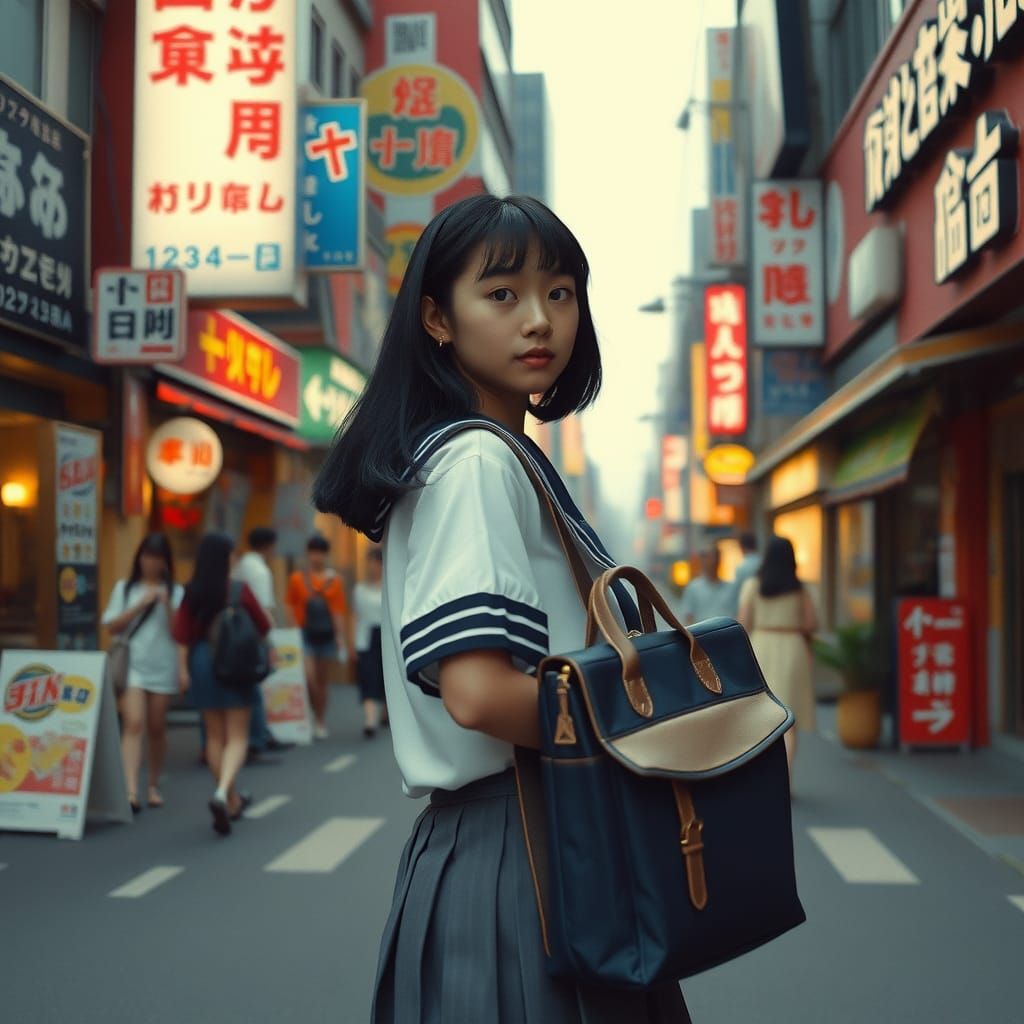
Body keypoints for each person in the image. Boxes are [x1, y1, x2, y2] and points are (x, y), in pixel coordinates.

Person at [312, 195, 691, 1022]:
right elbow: (478, 692)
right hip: (529, 849)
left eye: (560, 293)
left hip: (517, 844)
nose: (540, 321)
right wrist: (649, 727)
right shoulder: (476, 461)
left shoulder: (491, 456)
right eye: (503, 294)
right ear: (436, 320)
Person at [174, 532, 271, 835]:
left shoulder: (191, 592)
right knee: (237, 737)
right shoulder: (239, 591)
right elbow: (264, 625)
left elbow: (181, 635)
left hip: (202, 660)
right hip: (233, 663)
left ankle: (229, 798)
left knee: (214, 737)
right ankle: (223, 794)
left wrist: (183, 671)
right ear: (225, 558)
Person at [101, 533, 183, 813]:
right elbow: (112, 627)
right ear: (139, 558)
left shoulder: (176, 592)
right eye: (147, 556)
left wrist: (166, 604)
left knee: (157, 727)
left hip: (163, 666)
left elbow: (178, 633)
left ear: (165, 562)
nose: (151, 563)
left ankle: (152, 784)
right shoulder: (125, 589)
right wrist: (140, 604)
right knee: (134, 722)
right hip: (132, 665)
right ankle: (131, 790)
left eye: (157, 558)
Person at [737, 535, 819, 778]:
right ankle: (786, 778)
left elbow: (743, 623)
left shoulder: (753, 585)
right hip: (792, 648)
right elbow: (812, 623)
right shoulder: (800, 589)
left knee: (763, 715)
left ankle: (764, 779)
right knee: (788, 718)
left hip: (761, 646)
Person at [231, 525, 292, 756]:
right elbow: (264, 609)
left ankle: (255, 735)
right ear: (269, 546)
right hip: (254, 634)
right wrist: (270, 640)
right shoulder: (260, 571)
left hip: (235, 633)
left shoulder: (242, 565)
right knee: (256, 686)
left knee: (244, 686)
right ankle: (258, 737)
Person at [285, 534, 348, 740]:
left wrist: (340, 637)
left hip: (327, 634)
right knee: (309, 677)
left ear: (325, 555)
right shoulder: (297, 578)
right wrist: (292, 627)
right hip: (304, 633)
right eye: (313, 552)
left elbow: (338, 610)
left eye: (320, 552)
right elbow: (290, 604)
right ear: (308, 554)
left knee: (322, 680)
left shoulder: (335, 580)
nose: (316, 557)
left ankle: (320, 718)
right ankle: (312, 712)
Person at [352, 548, 387, 738]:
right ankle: (370, 720)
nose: (373, 567)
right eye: (370, 563)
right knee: (367, 676)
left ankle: (385, 713)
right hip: (366, 637)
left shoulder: (391, 587)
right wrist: (352, 643)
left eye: (376, 563)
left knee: (384, 677)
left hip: (386, 637)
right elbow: (356, 616)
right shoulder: (360, 589)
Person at [677, 544, 733, 625]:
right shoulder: (693, 588)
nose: (713, 561)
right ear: (703, 560)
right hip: (702, 634)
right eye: (710, 557)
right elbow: (688, 617)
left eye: (716, 557)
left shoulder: (730, 587)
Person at [729, 531, 760, 617]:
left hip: (747, 607)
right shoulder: (762, 562)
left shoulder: (742, 568)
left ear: (741, 546)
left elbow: (737, 594)